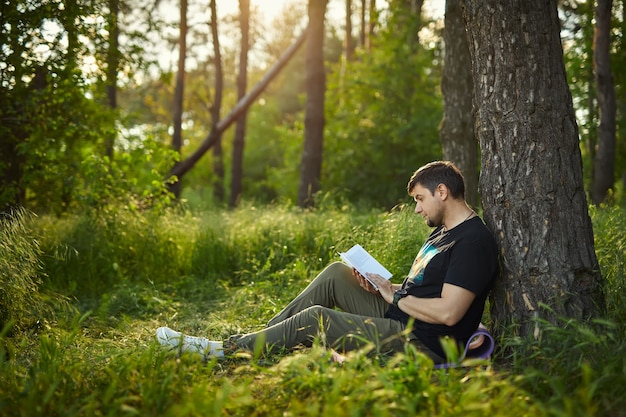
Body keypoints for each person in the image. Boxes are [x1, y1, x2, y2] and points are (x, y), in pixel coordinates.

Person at [156, 161, 499, 364]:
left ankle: (223, 353)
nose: (417, 208)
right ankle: (256, 339)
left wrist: (394, 297)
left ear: (442, 192)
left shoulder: (473, 242)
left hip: (421, 342)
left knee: (315, 319)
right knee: (337, 273)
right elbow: (427, 290)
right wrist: (386, 287)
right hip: (402, 316)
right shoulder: (442, 233)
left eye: (420, 199)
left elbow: (450, 312)